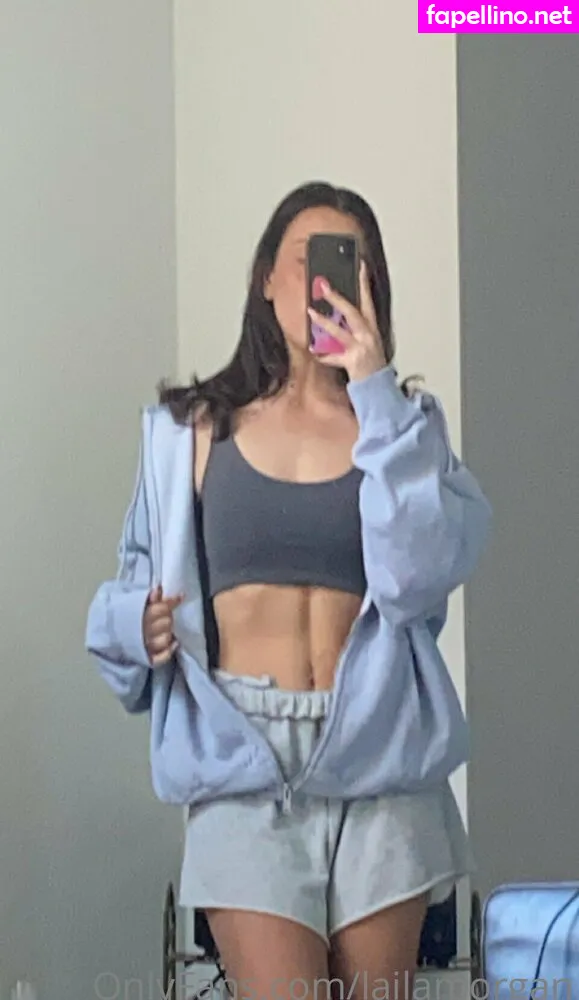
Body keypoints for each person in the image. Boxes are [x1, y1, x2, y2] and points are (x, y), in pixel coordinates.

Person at [85, 181, 492, 999]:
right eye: (306, 259)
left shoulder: (405, 428)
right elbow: (127, 592)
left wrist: (373, 387)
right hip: (243, 763)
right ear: (265, 279)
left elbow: (418, 577)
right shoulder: (188, 431)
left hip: (379, 757)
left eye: (348, 263)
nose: (323, 281)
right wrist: (136, 625)